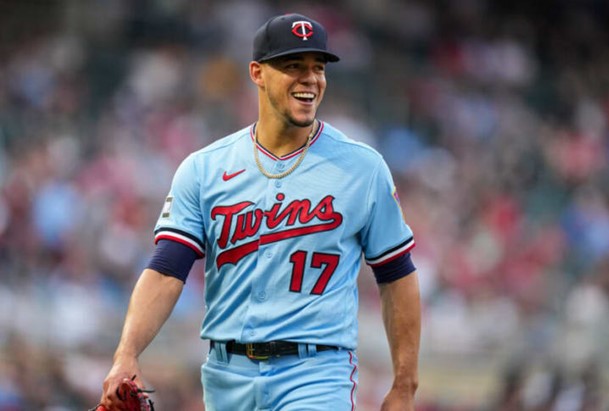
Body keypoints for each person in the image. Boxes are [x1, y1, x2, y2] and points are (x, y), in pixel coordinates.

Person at [98, 13, 421, 411]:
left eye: (318, 68)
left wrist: (405, 384)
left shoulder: (362, 167)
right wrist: (126, 354)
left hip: (316, 373)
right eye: (293, 67)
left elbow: (396, 274)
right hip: (226, 373)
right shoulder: (205, 168)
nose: (310, 80)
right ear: (257, 73)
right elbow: (167, 269)